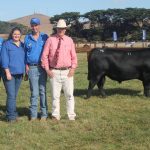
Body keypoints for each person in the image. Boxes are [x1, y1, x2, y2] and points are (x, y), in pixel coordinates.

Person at [41, 19, 77, 121]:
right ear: (56, 28)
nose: (61, 30)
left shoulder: (69, 40)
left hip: (67, 72)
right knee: (55, 96)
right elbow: (44, 56)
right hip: (54, 72)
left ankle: (71, 116)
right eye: (59, 28)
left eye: (63, 28)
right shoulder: (50, 40)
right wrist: (47, 70)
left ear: (65, 29)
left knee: (69, 95)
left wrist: (73, 69)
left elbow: (74, 56)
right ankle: (55, 115)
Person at [24, 18, 48, 121]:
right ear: (31, 26)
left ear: (39, 25)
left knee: (42, 91)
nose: (34, 27)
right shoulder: (27, 38)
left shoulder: (44, 37)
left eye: (36, 25)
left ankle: (44, 114)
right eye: (33, 25)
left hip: (42, 67)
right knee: (34, 92)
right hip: (32, 67)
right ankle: (33, 115)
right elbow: (24, 54)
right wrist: (26, 66)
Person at [1, 27, 25, 122]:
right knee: (11, 95)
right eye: (15, 34)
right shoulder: (6, 44)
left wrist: (25, 71)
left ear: (20, 35)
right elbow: (4, 59)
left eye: (18, 34)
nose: (16, 35)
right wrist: (7, 72)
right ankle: (11, 117)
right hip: (9, 74)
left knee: (14, 95)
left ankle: (12, 113)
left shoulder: (22, 45)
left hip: (19, 74)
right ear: (11, 34)